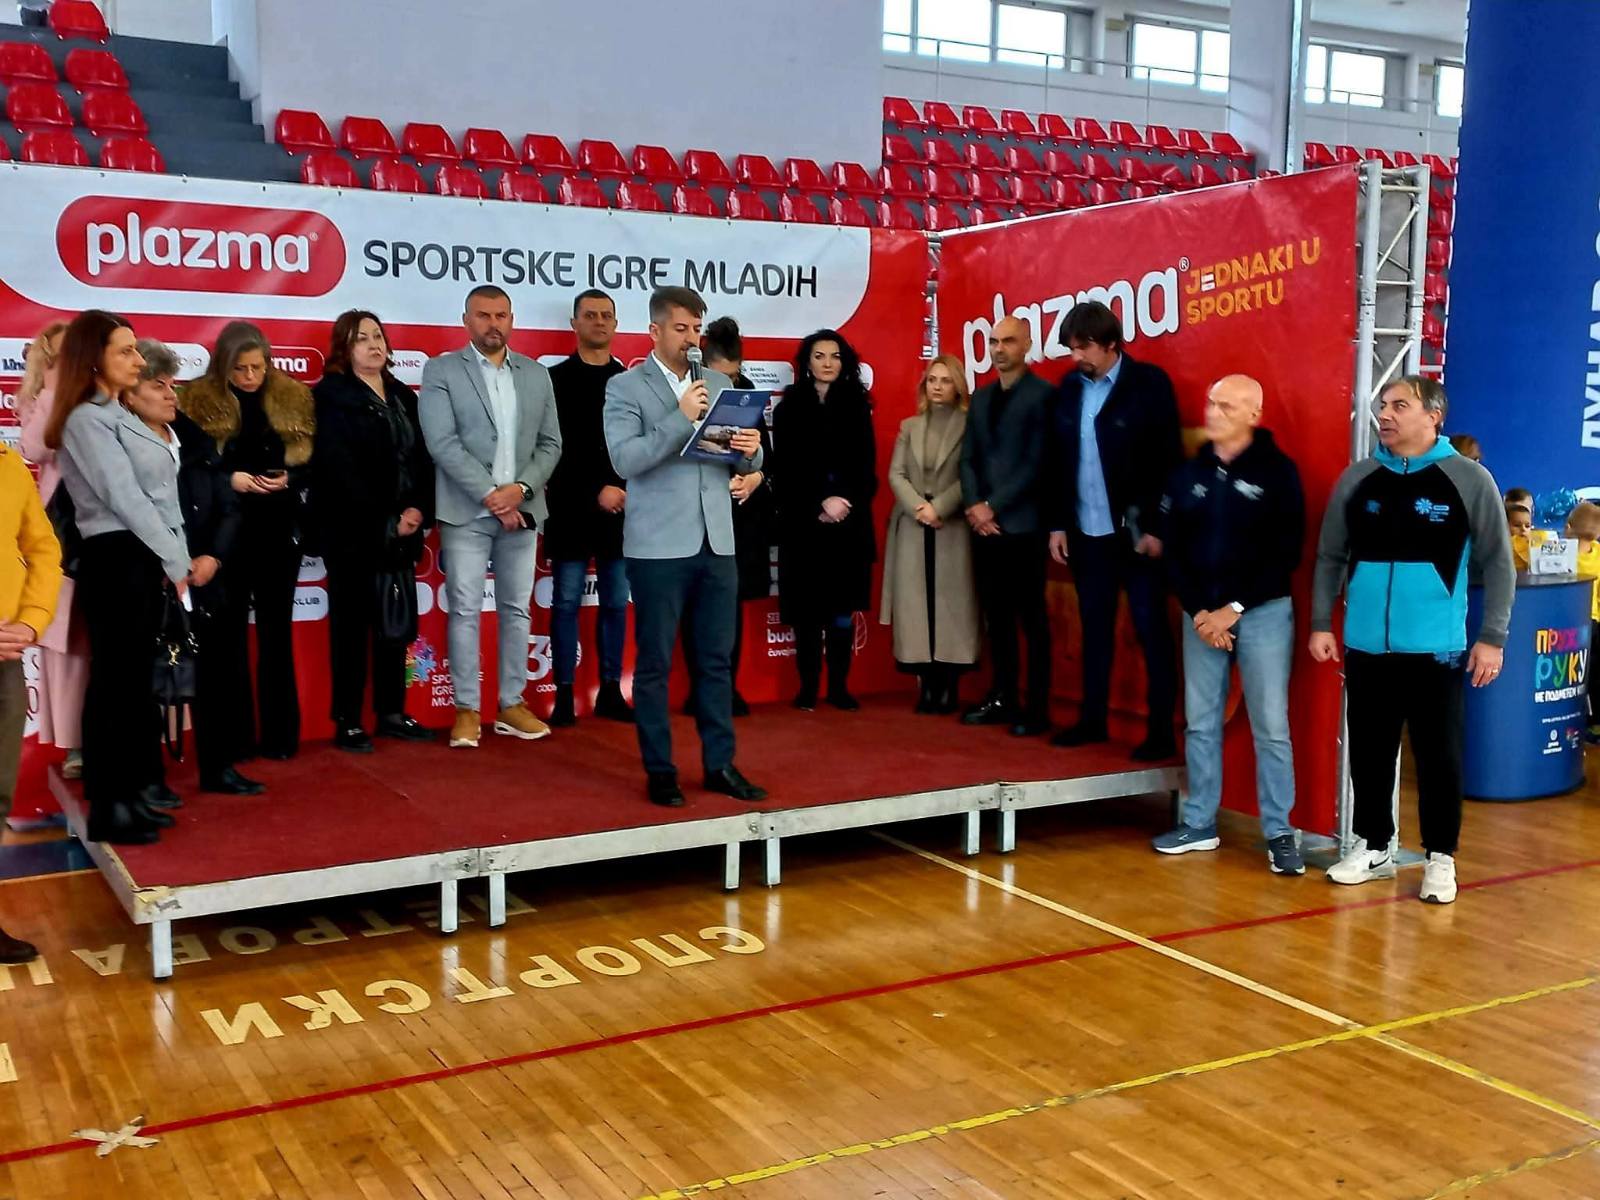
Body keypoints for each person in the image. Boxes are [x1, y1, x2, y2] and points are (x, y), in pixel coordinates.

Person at [1311, 376, 1514, 905]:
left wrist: (1492, 638)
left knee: (1438, 755)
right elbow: (1330, 555)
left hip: (1435, 647)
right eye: (1383, 405)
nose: (1386, 413)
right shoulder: (1358, 478)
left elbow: (1499, 563)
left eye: (1400, 405)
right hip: (1366, 645)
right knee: (1370, 752)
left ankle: (1441, 857)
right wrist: (1320, 622)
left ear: (1434, 416)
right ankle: (1374, 845)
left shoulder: (1469, 479)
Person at [603, 286, 766, 807]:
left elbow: (739, 461)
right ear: (654, 332)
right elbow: (626, 460)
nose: (692, 338)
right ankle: (661, 770)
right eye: (681, 328)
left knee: (716, 662)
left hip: (717, 540)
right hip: (657, 546)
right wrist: (679, 416)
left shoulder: (719, 382)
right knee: (654, 663)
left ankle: (720, 764)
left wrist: (750, 452)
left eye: (697, 328)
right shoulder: (625, 388)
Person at [1148, 376, 1307, 874]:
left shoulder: (1278, 472)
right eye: (1211, 404)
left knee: (1271, 726)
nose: (1213, 413)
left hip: (1262, 613)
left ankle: (1279, 832)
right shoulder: (1187, 474)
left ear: (1254, 415)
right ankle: (1199, 822)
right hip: (1200, 616)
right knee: (1200, 721)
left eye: (1227, 406)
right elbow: (1173, 550)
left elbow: (1286, 552)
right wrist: (1200, 611)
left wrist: (1233, 608)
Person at [48, 311, 190, 845]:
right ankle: (109, 805)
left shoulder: (117, 412)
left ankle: (129, 793)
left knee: (130, 685)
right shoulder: (87, 419)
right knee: (115, 684)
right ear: (94, 358)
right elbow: (124, 496)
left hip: (140, 556)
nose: (137, 359)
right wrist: (175, 558)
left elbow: (158, 494)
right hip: (115, 557)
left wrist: (169, 555)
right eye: (125, 351)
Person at [419, 284, 562, 749]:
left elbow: (551, 444)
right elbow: (442, 443)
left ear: (512, 320)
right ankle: (466, 709)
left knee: (517, 609)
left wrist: (520, 491)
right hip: (467, 511)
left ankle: (511, 704)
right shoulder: (441, 370)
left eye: (501, 315)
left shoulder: (537, 375)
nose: (493, 324)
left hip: (523, 510)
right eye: (483, 315)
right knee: (464, 610)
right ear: (466, 321)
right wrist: (491, 496)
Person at [1047, 300, 1182, 761]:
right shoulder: (1068, 388)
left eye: (1083, 347)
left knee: (1150, 631)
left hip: (1137, 534)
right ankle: (1092, 719)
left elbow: (1169, 462)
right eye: (1071, 348)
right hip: (1086, 532)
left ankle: (1161, 730)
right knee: (1095, 628)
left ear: (1110, 344)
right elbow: (1059, 462)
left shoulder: (1149, 385)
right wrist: (1058, 524)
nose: (1076, 357)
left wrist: (1158, 526)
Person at [133, 340, 263, 797]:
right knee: (145, 678)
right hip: (150, 578)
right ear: (130, 392)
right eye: (159, 385)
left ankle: (219, 766)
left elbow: (229, 504)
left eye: (173, 384)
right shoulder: (119, 443)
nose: (172, 394)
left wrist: (213, 557)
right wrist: (168, 563)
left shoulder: (194, 438)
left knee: (219, 670)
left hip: (205, 574)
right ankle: (148, 779)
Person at [181, 322, 313, 761]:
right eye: (241, 369)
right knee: (226, 637)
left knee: (276, 634)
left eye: (258, 367)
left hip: (278, 528)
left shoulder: (293, 397)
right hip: (225, 533)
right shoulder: (196, 400)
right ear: (224, 365)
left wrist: (290, 479)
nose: (251, 376)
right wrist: (229, 479)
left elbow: (315, 464)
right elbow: (188, 469)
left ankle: (281, 737)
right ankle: (233, 740)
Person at [313, 311, 436, 751]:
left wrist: (418, 509)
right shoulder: (331, 397)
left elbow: (424, 459)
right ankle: (348, 719)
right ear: (345, 349)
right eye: (362, 338)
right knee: (350, 629)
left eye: (378, 336)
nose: (373, 344)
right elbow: (337, 470)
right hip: (353, 532)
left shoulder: (403, 395)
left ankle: (392, 712)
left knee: (394, 624)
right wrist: (387, 518)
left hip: (403, 531)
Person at [771, 329, 877, 712]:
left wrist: (843, 501)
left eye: (835, 356)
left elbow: (866, 466)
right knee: (807, 613)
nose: (828, 363)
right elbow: (785, 469)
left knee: (840, 611)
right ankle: (808, 687)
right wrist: (819, 502)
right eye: (819, 356)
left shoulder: (857, 406)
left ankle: (838, 687)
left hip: (848, 524)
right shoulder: (788, 409)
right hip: (804, 523)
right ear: (807, 362)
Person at [958, 316, 1053, 736]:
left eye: (1008, 341)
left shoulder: (1043, 396)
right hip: (984, 528)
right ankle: (1003, 696)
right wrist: (974, 505)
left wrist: (991, 506)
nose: (999, 349)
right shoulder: (980, 397)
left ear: (1027, 345)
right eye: (994, 341)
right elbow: (968, 458)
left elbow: (1038, 463)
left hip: (1024, 526)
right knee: (996, 618)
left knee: (1031, 618)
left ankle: (1037, 708)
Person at [544, 289, 632, 728]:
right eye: (590, 315)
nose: (599, 322)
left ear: (615, 324)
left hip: (620, 511)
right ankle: (563, 693)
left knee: (615, 602)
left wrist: (620, 488)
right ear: (574, 324)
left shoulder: (630, 382)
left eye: (606, 315)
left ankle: (611, 690)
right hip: (570, 508)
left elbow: (638, 446)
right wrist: (596, 489)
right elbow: (553, 448)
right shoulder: (554, 380)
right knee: (565, 602)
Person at [882, 354, 978, 714]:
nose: (938, 386)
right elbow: (896, 474)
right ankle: (926, 686)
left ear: (958, 386)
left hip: (952, 525)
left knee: (952, 605)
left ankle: (949, 686)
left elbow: (970, 474)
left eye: (945, 380)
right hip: (912, 525)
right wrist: (920, 508)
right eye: (932, 380)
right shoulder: (910, 426)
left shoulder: (970, 426)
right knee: (916, 607)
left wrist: (940, 508)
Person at [0, 408, 61, 961]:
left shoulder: (8, 465)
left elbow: (43, 548)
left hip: (5, 661)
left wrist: (32, 620)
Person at [15, 321, 87, 784]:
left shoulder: (103, 394)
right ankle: (76, 743)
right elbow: (37, 447)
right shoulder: (38, 397)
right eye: (60, 356)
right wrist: (56, 389)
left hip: (105, 524)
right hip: (60, 531)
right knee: (66, 643)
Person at [694, 315, 773, 717]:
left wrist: (755, 477)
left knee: (732, 602)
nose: (727, 384)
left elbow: (765, 454)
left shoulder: (747, 393)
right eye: (719, 377)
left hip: (740, 514)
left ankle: (728, 687)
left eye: (733, 375)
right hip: (698, 509)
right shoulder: (691, 392)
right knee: (697, 602)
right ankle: (700, 689)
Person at [1563, 501, 1600, 741]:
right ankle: (1594, 724)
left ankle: (1573, 719)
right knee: (1593, 674)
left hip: (1569, 624)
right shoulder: (1598, 553)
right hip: (1594, 621)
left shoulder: (1562, 554)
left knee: (1572, 674)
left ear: (1568, 527)